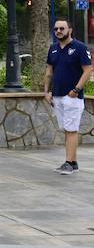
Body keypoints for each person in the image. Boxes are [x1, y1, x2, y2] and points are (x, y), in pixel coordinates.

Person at [44, 19, 92, 175]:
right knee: (67, 129)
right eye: (56, 28)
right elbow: (49, 72)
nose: (58, 31)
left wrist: (76, 90)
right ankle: (73, 162)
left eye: (62, 28)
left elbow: (87, 70)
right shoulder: (53, 49)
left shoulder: (80, 48)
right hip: (56, 96)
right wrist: (46, 91)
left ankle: (69, 163)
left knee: (71, 130)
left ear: (70, 30)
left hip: (72, 97)